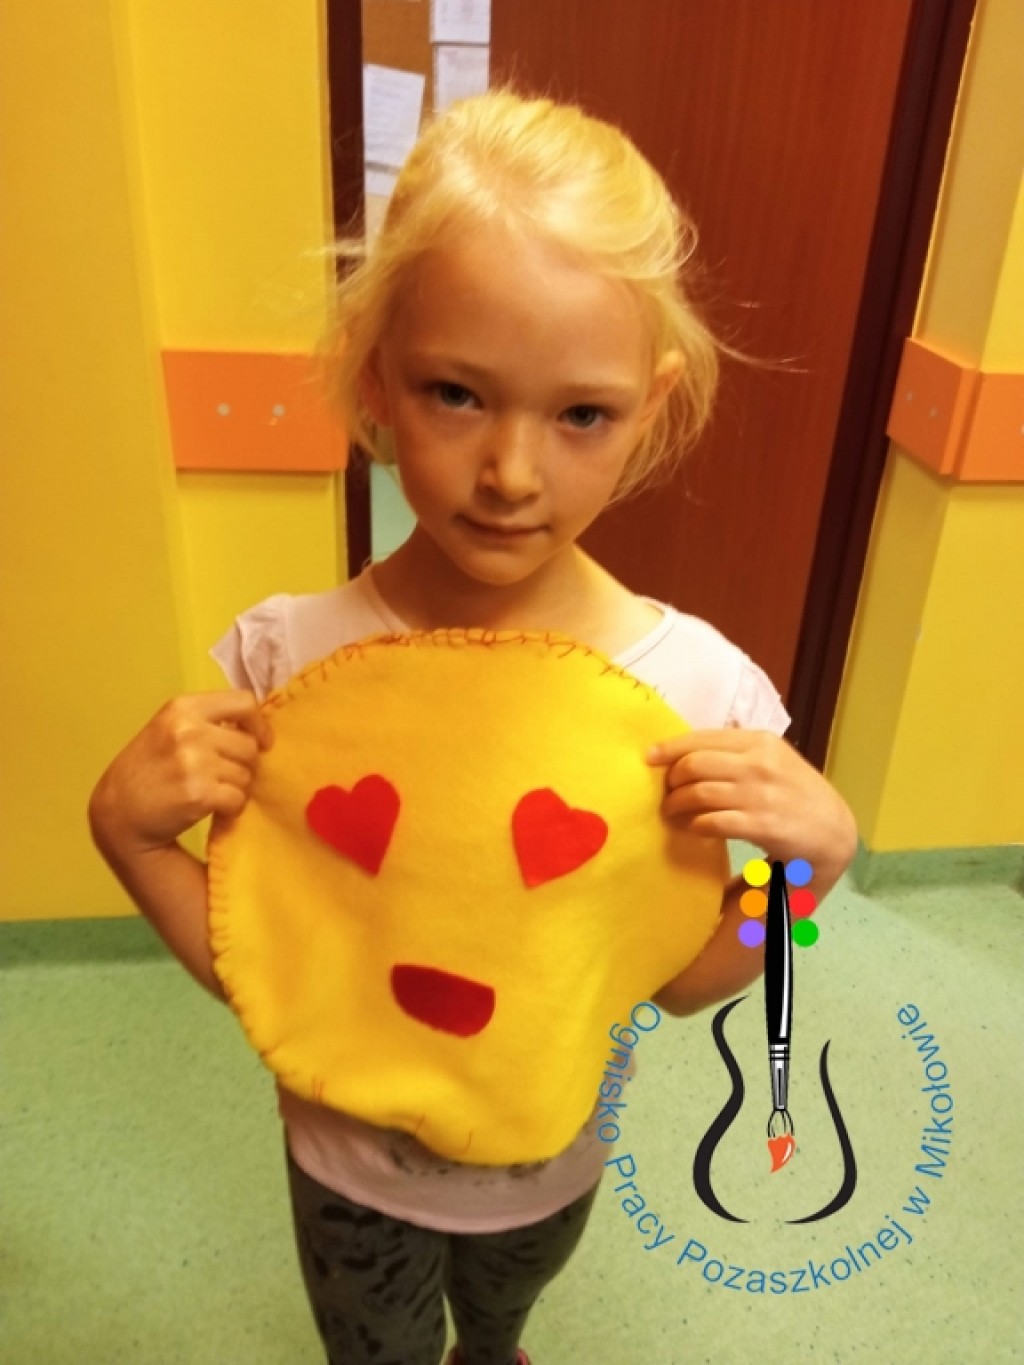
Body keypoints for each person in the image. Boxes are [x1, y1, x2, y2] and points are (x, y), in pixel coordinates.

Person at [88, 90, 857, 1365]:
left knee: (497, 1330)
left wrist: (805, 881)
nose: (510, 474)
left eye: (580, 415)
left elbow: (679, 984)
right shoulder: (288, 663)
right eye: (456, 393)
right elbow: (266, 957)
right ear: (376, 374)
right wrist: (129, 836)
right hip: (343, 1164)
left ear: (652, 403)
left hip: (553, 1160)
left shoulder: (697, 691)